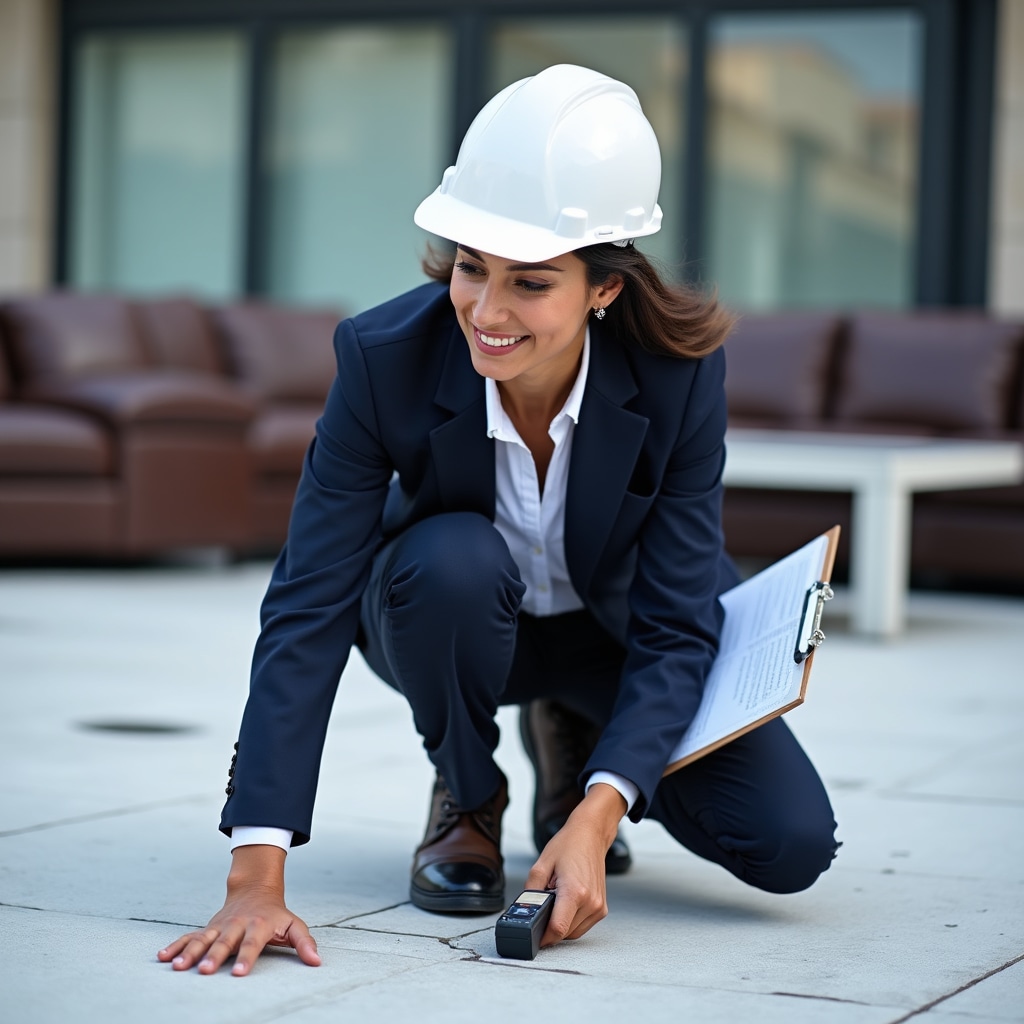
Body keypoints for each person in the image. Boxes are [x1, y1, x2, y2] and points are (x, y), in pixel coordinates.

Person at [158, 64, 838, 978]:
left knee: (788, 845)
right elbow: (308, 605)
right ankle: (470, 794)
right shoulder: (382, 359)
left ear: (606, 288)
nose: (487, 310)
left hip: (617, 637)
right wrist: (255, 869)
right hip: (452, 616)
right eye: (471, 267)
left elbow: (676, 623)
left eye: (530, 282)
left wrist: (600, 812)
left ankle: (575, 746)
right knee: (451, 562)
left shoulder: (679, 377)